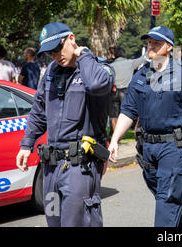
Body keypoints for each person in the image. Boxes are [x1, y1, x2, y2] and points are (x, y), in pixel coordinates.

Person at [108, 26, 182, 227]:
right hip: (147, 150)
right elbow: (128, 111)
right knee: (166, 203)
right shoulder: (141, 75)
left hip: (173, 148)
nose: (151, 46)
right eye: (149, 42)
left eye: (156, 43)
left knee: (167, 204)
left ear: (169, 47)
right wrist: (115, 140)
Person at [16, 22, 115, 227]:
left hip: (79, 167)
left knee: (76, 223)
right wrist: (27, 144)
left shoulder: (97, 68)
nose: (55, 56)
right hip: (51, 169)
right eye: (49, 52)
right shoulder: (51, 72)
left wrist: (84, 55)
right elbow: (39, 110)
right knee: (54, 221)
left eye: (57, 49)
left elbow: (97, 85)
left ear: (71, 38)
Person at [109, 46, 147, 131]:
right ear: (124, 54)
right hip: (126, 91)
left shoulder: (111, 66)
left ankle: (115, 134)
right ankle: (125, 131)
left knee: (114, 114)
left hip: (114, 91)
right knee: (126, 114)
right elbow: (142, 59)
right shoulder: (130, 63)